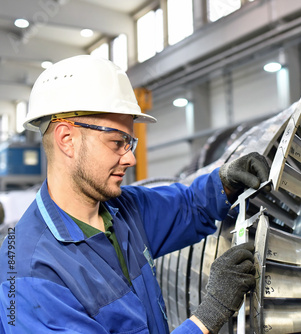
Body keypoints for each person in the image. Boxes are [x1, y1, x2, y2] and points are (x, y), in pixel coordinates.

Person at [0, 55, 270, 333]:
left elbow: (190, 206)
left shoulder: (123, 209)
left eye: (130, 143)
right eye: (117, 142)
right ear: (67, 140)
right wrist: (207, 316)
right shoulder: (30, 274)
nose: (130, 158)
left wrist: (225, 181)